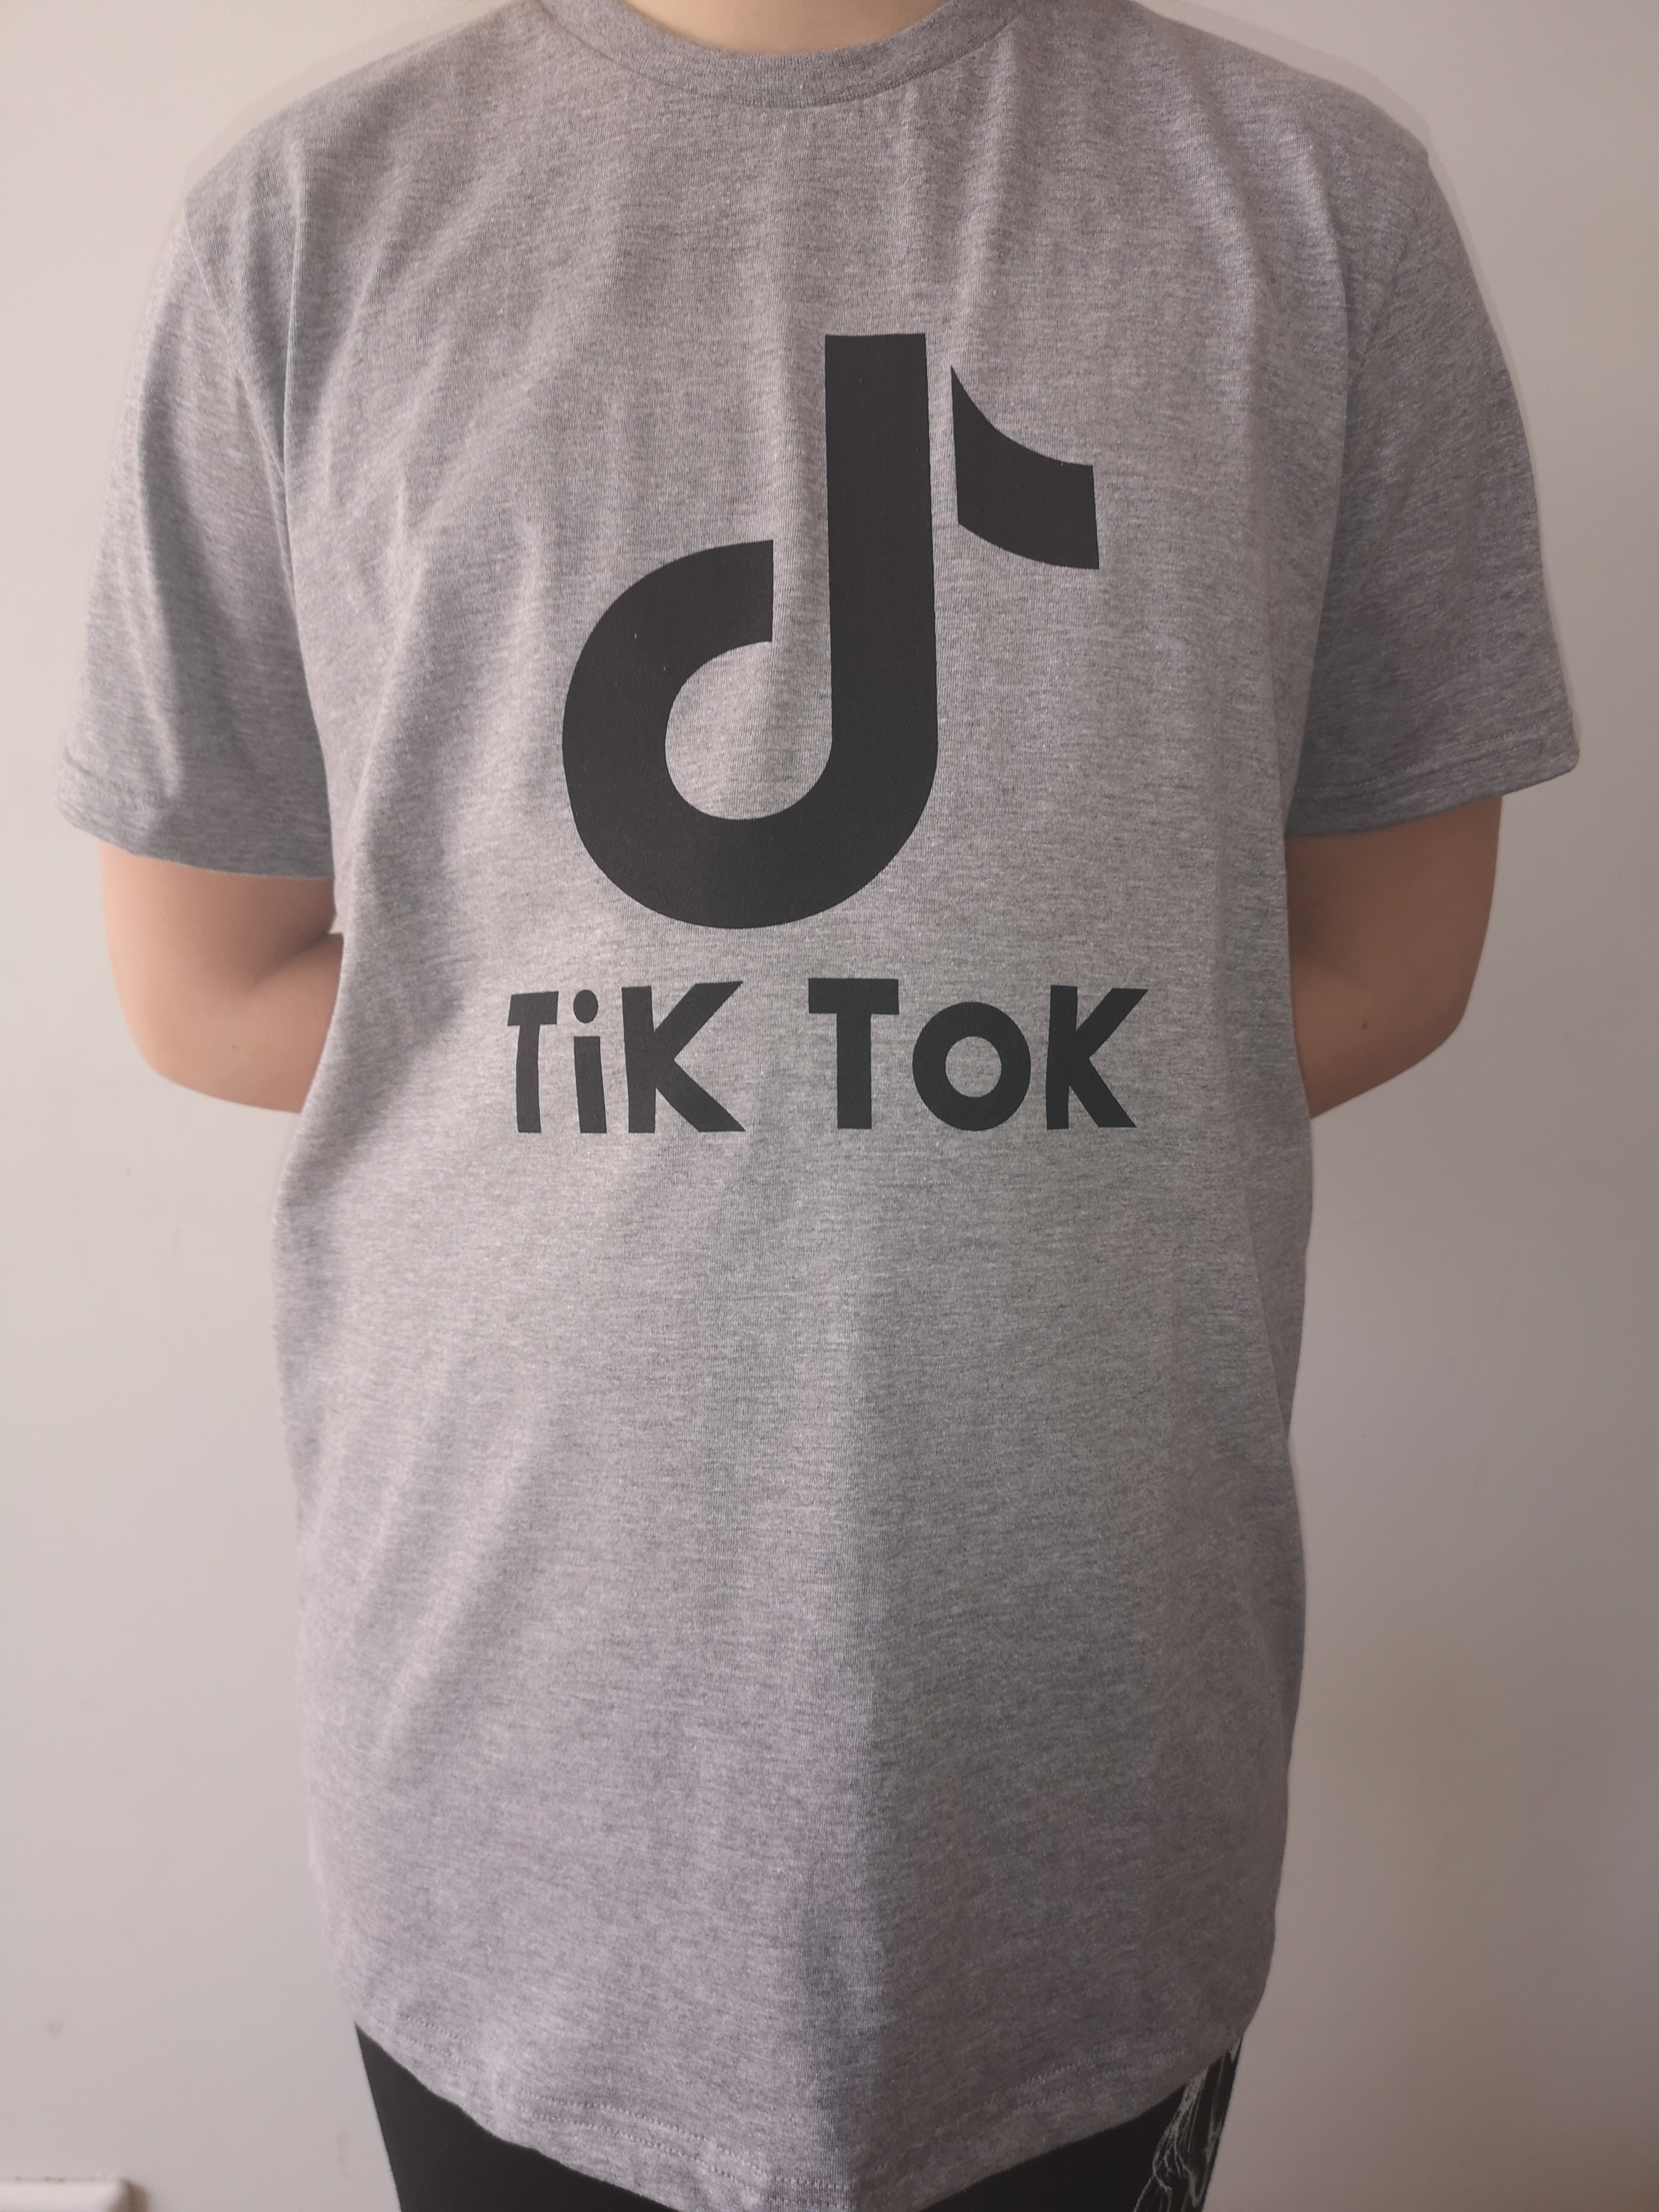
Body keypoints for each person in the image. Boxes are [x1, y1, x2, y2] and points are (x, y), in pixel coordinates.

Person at [61, 0, 1577, 2202]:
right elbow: (201, 982)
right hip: (515, 1785)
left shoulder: (1315, 206)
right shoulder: (306, 229)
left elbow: (1388, 953)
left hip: (1081, 1792)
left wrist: (852, 1076)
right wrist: (777, 1074)